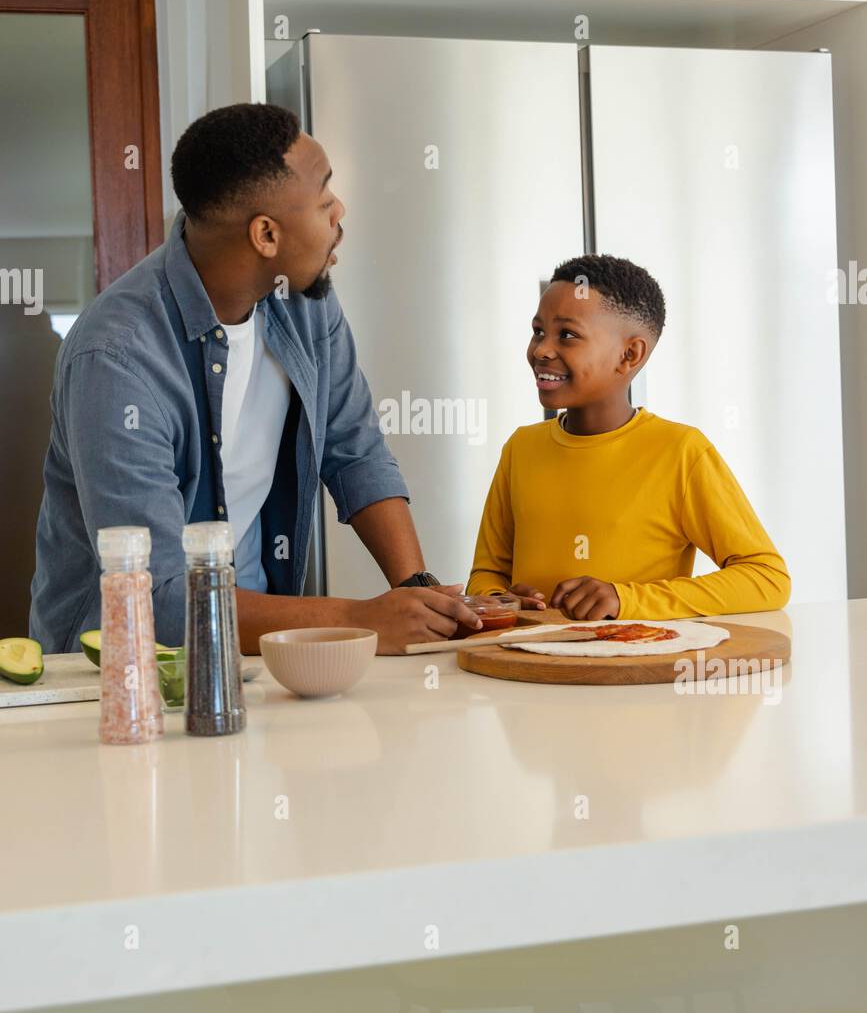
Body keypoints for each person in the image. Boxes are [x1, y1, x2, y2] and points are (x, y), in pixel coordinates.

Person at [30, 103, 481, 654]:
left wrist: (417, 593)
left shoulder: (304, 301)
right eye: (323, 199)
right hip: (116, 670)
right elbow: (159, 601)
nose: (340, 211)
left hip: (247, 649)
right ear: (266, 235)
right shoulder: (117, 358)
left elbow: (355, 451)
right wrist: (362, 622)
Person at [467, 254, 790, 619]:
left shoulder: (681, 453)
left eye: (567, 335)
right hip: (528, 668)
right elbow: (486, 574)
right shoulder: (521, 449)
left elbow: (767, 578)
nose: (541, 349)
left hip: (636, 668)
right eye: (538, 331)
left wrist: (625, 600)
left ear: (629, 354)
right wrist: (501, 600)